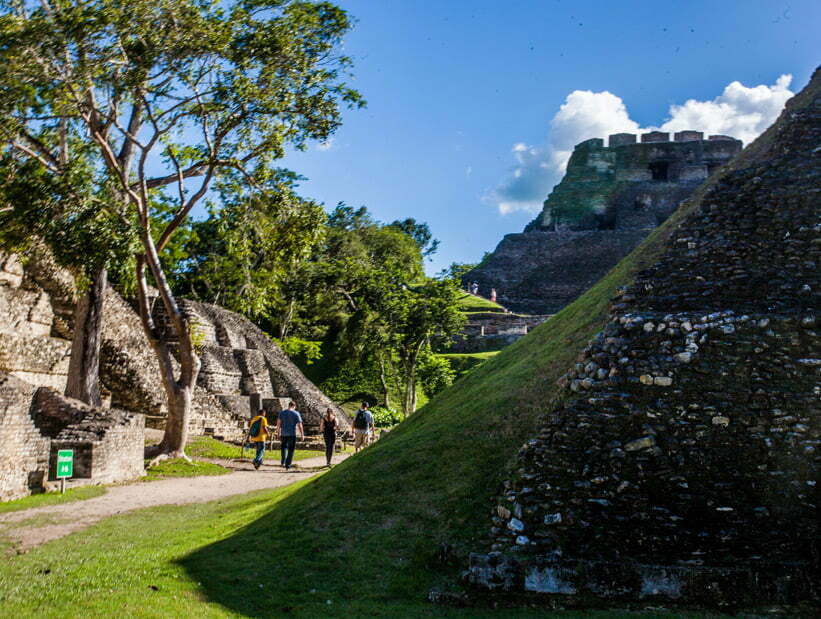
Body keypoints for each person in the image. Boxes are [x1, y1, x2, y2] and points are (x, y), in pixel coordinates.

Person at [275, 401, 304, 470]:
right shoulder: (296, 413)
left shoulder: (282, 413)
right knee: (291, 449)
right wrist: (302, 434)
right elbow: (300, 425)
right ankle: (288, 464)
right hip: (292, 434)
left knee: (283, 448)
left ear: (288, 405)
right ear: (294, 406)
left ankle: (283, 461)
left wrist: (277, 432)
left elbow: (278, 424)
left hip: (283, 433)